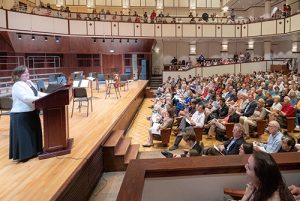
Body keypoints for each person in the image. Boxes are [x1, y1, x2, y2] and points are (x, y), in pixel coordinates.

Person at [9, 66, 47, 162]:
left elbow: (37, 93)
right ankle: (25, 155)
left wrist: (49, 95)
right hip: (21, 114)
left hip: (32, 112)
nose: (27, 74)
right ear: (18, 75)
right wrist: (41, 100)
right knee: (25, 135)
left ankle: (35, 151)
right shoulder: (17, 85)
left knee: (33, 133)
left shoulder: (29, 83)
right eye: (24, 73)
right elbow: (25, 98)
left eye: (28, 72)